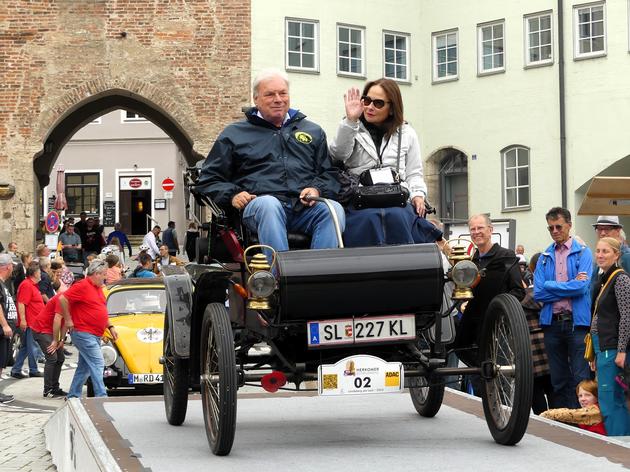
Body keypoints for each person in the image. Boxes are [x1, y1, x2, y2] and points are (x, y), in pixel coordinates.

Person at [196, 68, 345, 254]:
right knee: (269, 204)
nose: (278, 99)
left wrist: (316, 189)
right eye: (270, 94)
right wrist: (233, 194)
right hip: (260, 207)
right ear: (256, 99)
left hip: (304, 208)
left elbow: (329, 174)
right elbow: (209, 179)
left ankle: (318, 276)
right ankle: (279, 277)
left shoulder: (313, 131)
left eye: (283, 93)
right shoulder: (234, 134)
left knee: (333, 210)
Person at [328, 80, 442, 247]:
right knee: (367, 219)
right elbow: (337, 154)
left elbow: (414, 173)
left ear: (391, 107)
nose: (369, 107)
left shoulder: (407, 133)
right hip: (360, 198)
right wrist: (351, 122)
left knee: (399, 216)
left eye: (378, 103)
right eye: (366, 100)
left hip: (397, 197)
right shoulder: (352, 128)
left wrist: (418, 195)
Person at [453, 215, 525, 384]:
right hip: (475, 329)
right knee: (476, 374)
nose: (476, 232)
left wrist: (498, 308)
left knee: (500, 376)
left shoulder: (505, 256)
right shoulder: (470, 261)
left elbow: (518, 292)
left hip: (498, 329)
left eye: (480, 228)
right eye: (473, 229)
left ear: (490, 230)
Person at [534, 207, 592, 409]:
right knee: (558, 379)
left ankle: (582, 424)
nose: (555, 231)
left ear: (569, 225)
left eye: (559, 226)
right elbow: (538, 293)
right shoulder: (544, 256)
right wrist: (569, 286)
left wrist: (551, 285)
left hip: (577, 324)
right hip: (552, 324)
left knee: (580, 377)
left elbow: (582, 287)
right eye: (551, 228)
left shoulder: (583, 253)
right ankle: (563, 423)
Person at [589, 237, 630, 435]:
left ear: (616, 254)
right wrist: (593, 354)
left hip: (612, 347)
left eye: (605, 251)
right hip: (602, 347)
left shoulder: (620, 279)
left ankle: (620, 442)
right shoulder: (603, 278)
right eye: (598, 251)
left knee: (611, 399)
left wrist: (621, 350)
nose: (600, 255)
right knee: (609, 398)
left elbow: (627, 317)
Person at [60, 260, 118, 399]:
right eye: (104, 274)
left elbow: (100, 310)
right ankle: (101, 396)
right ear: (96, 274)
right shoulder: (82, 285)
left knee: (84, 367)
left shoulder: (98, 288)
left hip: (93, 333)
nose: (106, 278)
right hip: (83, 332)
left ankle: (73, 395)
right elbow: (63, 299)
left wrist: (110, 326)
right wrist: (68, 320)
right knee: (98, 362)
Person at [522, 252, 553, 414]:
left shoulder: (523, 297)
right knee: (554, 390)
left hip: (531, 350)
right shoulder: (554, 294)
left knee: (536, 392)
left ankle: (543, 421)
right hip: (550, 347)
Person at [11, 262, 44, 379]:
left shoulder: (31, 285)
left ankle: (16, 369)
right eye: (39, 272)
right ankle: (33, 369)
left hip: (32, 321)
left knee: (25, 347)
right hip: (30, 322)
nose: (41, 274)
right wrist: (23, 320)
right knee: (33, 346)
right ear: (34, 273)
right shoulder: (27, 285)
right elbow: (21, 303)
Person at [31, 293, 67, 398]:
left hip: (50, 330)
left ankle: (55, 388)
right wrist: (55, 340)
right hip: (41, 329)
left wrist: (61, 340)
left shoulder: (75, 301)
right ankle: (48, 390)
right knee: (52, 358)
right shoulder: (63, 298)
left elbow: (65, 323)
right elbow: (57, 320)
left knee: (60, 358)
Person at [540, 379, 606, 435]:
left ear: (597, 397)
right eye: (580, 396)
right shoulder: (588, 410)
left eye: (587, 395)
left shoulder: (595, 410)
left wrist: (547, 414)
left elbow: (570, 414)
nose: (583, 399)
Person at [590, 215, 630, 297]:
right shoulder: (598, 258)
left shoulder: (627, 257)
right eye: (600, 229)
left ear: (618, 231)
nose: (603, 233)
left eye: (607, 229)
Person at [0, 254, 16, 403]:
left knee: (2, 361)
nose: (13, 268)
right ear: (7, 266)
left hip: (4, 330)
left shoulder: (4, 283)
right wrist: (4, 325)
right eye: (12, 265)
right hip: (1, 329)